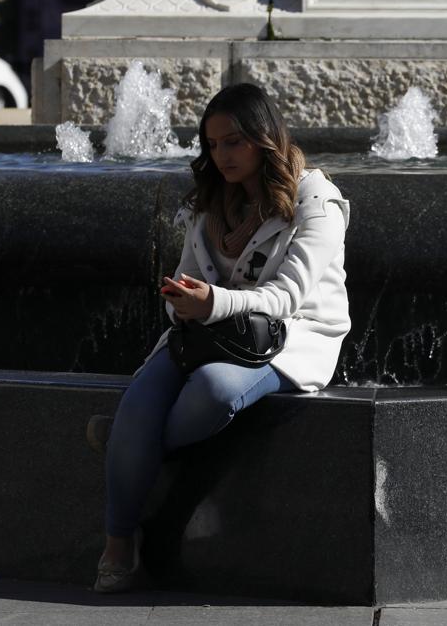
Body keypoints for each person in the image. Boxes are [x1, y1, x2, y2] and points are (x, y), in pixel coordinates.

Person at [88, 83, 351, 593]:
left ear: (264, 137)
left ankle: (128, 445)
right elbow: (186, 278)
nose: (221, 155)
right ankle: (119, 545)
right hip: (206, 331)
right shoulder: (212, 201)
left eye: (233, 142)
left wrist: (213, 302)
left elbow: (285, 298)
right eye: (212, 144)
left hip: (287, 338)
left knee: (215, 390)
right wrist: (180, 299)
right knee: (142, 399)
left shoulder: (316, 201)